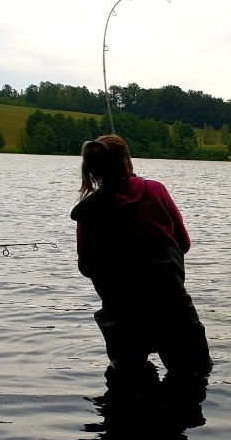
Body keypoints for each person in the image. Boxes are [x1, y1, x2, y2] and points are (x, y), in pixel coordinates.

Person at [71, 134, 212, 389]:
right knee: (193, 377)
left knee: (128, 386)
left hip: (121, 314)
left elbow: (85, 267)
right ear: (127, 161)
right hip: (171, 307)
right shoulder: (155, 191)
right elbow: (184, 244)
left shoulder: (88, 211)